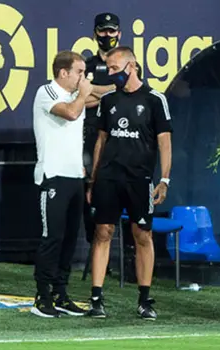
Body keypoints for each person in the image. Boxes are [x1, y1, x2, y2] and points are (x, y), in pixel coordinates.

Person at [85, 46, 173, 320]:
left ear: (131, 66)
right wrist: (93, 180)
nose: (111, 74)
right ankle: (96, 299)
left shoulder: (155, 99)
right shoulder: (108, 100)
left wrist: (164, 179)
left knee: (142, 236)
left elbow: (165, 143)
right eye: (108, 69)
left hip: (140, 179)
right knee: (103, 233)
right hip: (109, 178)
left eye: (114, 69)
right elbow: (101, 140)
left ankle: (144, 300)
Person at [30, 51, 93, 318]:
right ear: (63, 72)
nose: (83, 77)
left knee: (69, 240)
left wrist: (119, 82)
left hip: (75, 177)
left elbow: (96, 93)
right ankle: (41, 296)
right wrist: (84, 93)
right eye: (79, 72)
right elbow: (70, 113)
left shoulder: (75, 95)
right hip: (52, 176)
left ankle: (60, 294)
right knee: (52, 238)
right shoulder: (47, 92)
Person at [82, 13, 122, 247]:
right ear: (95, 33)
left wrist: (94, 91)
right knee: (91, 194)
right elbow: (79, 98)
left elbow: (124, 92)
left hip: (119, 140)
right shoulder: (85, 65)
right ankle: (95, 251)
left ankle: (123, 254)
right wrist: (109, 92)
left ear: (119, 33)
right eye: (103, 31)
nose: (107, 36)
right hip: (90, 137)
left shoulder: (127, 64)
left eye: (111, 31)